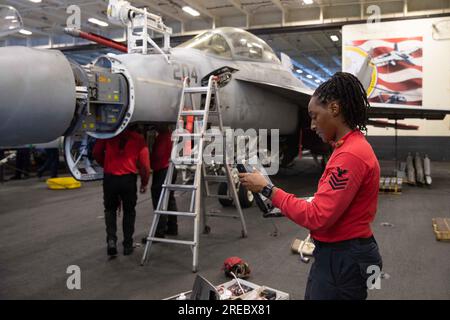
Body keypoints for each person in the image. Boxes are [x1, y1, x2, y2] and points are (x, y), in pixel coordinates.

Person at [239, 72, 382, 300]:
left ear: (334, 109)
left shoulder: (350, 156)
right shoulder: (347, 148)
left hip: (343, 259)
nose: (312, 125)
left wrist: (267, 189)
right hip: (341, 254)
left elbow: (318, 216)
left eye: (315, 116)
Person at [93, 125, 151, 256]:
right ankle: (128, 245)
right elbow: (145, 165)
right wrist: (144, 182)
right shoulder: (138, 139)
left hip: (110, 178)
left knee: (110, 210)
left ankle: (111, 240)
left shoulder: (108, 134)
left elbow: (96, 152)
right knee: (129, 212)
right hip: (128, 180)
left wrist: (106, 164)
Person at [151, 125, 178, 238]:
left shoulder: (163, 137)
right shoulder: (170, 136)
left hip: (162, 169)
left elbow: (158, 155)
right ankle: (172, 227)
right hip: (171, 168)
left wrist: (150, 162)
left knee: (159, 199)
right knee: (169, 198)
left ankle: (159, 231)